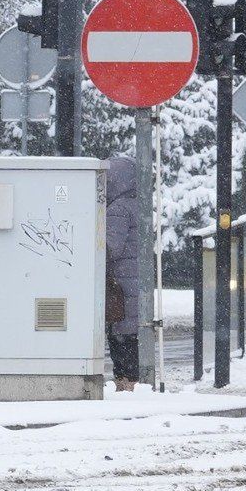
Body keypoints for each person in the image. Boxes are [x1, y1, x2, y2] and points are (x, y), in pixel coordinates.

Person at [104, 153, 144, 391]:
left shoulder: (118, 208)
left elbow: (110, 247)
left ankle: (126, 382)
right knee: (132, 334)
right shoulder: (138, 205)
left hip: (120, 282)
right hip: (135, 281)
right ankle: (133, 380)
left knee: (121, 334)